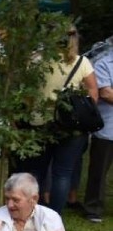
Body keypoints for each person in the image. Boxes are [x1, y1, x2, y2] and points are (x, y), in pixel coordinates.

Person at [16, 26, 98, 215]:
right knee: (63, 173)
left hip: (39, 123)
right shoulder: (82, 63)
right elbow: (93, 93)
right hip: (71, 126)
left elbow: (25, 95)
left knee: (36, 171)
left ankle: (31, 211)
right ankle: (54, 216)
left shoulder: (37, 61)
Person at [85, 42, 113, 223]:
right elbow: (106, 93)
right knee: (99, 171)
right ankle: (93, 208)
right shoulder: (104, 63)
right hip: (108, 129)